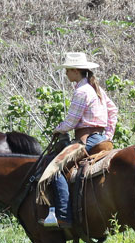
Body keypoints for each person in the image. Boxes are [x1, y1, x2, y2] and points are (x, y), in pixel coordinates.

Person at [43, 52, 118, 228]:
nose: (66, 74)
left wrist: (57, 129)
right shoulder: (96, 89)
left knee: (55, 169)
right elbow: (113, 110)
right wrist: (108, 135)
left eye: (67, 70)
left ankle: (63, 215)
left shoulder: (81, 91)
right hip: (100, 138)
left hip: (86, 139)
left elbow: (71, 121)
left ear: (76, 71)